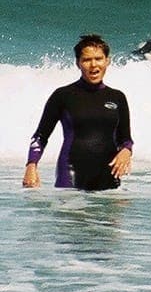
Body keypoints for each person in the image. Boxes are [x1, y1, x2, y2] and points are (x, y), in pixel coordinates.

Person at [23, 34, 133, 191]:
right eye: (86, 60)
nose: (93, 65)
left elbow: (126, 139)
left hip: (108, 177)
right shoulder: (63, 95)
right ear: (78, 63)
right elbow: (40, 136)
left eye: (98, 58)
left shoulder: (117, 97)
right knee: (70, 215)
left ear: (107, 61)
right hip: (70, 175)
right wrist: (31, 165)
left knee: (111, 216)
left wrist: (126, 151)